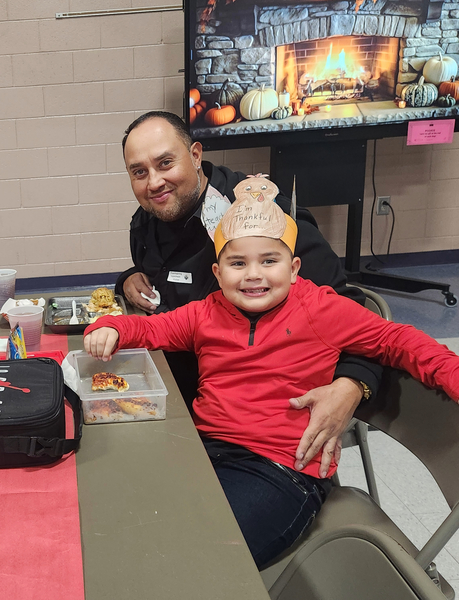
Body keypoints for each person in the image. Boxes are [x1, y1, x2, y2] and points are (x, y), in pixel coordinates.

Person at [85, 185, 459, 565]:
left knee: (197, 556)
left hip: (280, 472)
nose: (253, 276)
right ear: (217, 271)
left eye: (269, 261)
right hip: (203, 452)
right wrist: (110, 328)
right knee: (130, 519)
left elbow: (398, 340)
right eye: (237, 263)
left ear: (294, 268)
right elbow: (151, 330)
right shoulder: (205, 313)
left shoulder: (320, 309)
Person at [115, 111, 382, 475]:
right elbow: (164, 281)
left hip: (254, 432)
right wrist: (130, 277)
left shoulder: (265, 218)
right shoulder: (147, 220)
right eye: (139, 172)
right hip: (178, 401)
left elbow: (354, 314)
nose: (155, 182)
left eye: (165, 163)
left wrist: (352, 385)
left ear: (195, 155)